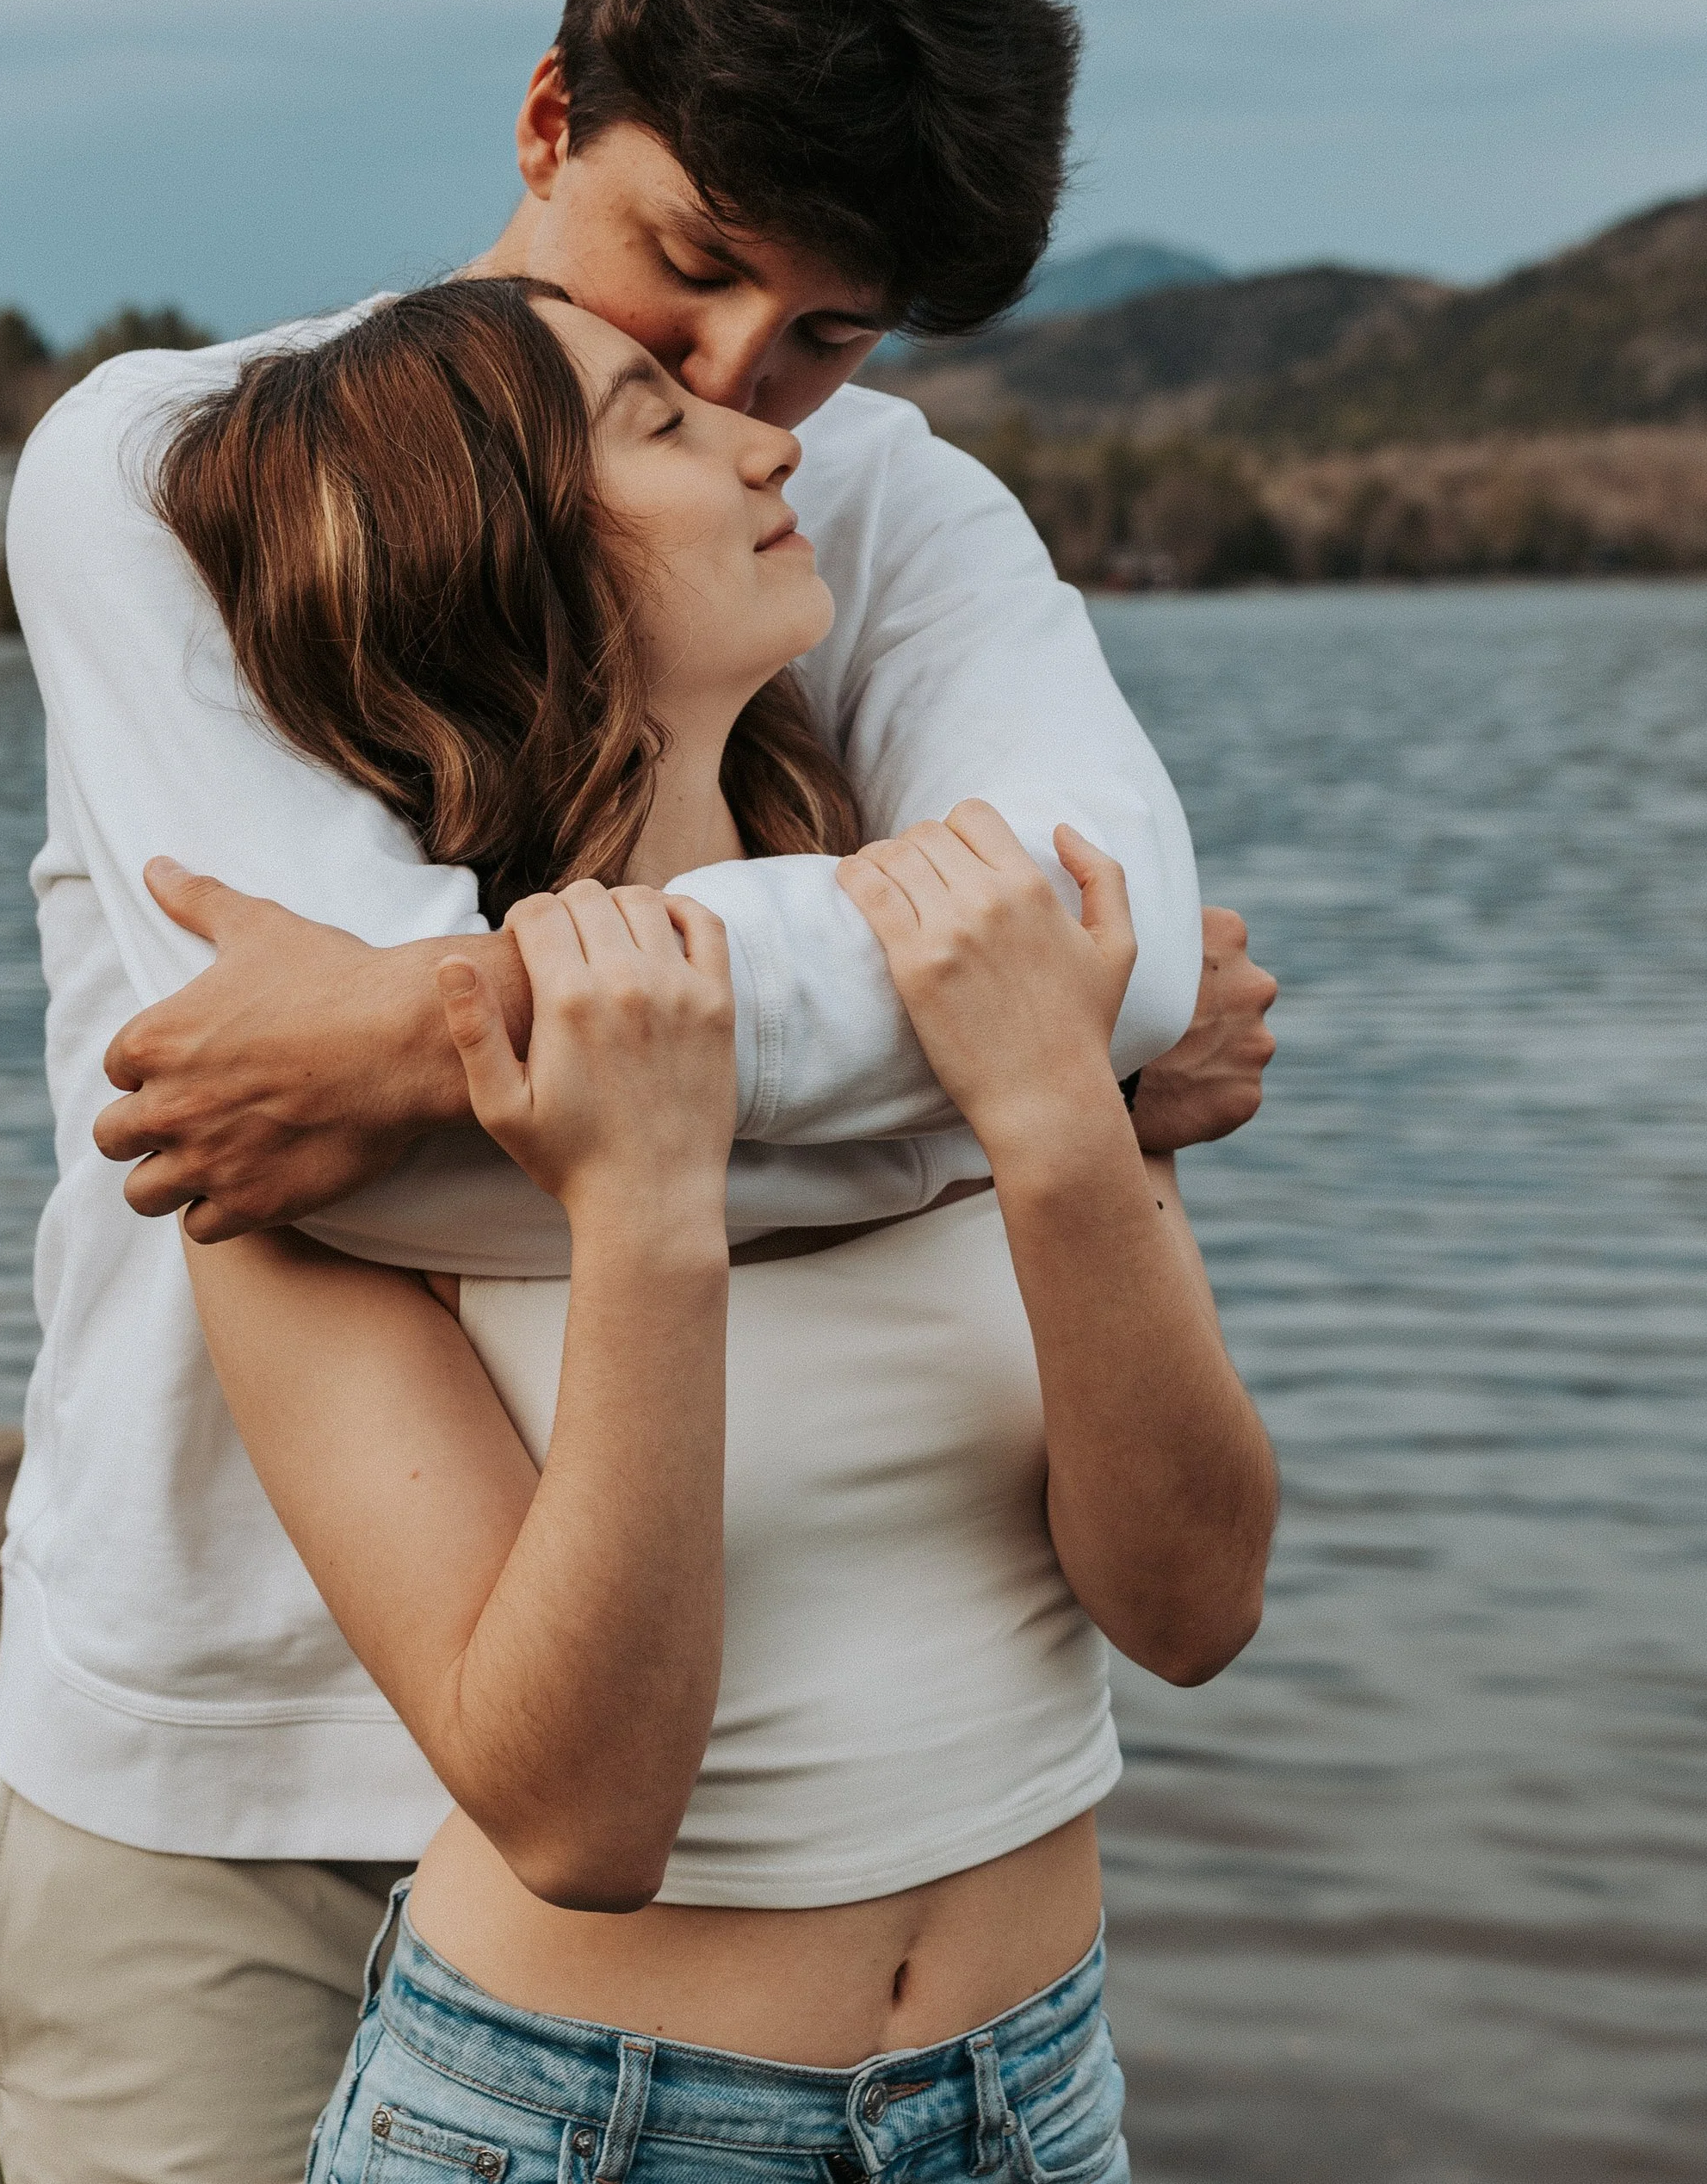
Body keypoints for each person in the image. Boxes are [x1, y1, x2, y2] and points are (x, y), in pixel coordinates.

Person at [0, 0, 1279, 2184]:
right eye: (687, 270)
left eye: (827, 332)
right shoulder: (198, 467)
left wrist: (428, 1017)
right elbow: (340, 1170)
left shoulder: (853, 506)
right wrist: (1013, 1064)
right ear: (551, 116)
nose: (740, 382)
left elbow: (1121, 942)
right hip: (231, 1758)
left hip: (775, 1809)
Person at [161, 274, 1276, 2184]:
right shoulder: (313, 1158)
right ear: (500, 557)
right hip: (574, 2125)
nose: (774, 441)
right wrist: (644, 1208)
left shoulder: (945, 977)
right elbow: (581, 1820)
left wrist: (1052, 1126)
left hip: (1036, 2093)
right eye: (659, 426)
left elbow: (1189, 1609)